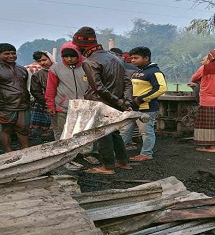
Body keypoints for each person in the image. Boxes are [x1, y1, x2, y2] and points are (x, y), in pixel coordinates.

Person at [72, 26, 133, 175]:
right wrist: (125, 100)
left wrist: (119, 102)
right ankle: (123, 161)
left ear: (81, 46)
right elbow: (127, 81)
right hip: (115, 102)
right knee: (114, 132)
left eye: (76, 46)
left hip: (100, 103)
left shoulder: (90, 61)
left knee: (102, 135)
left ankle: (107, 166)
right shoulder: (115, 57)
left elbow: (98, 87)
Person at [124, 46, 167, 161]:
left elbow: (161, 89)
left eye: (136, 58)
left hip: (147, 108)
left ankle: (146, 154)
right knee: (125, 131)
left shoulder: (155, 72)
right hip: (133, 108)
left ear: (146, 58)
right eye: (131, 58)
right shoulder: (138, 72)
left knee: (146, 132)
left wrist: (141, 99)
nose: (132, 60)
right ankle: (118, 152)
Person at [0, 43, 31, 152]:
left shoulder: (22, 69)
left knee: (23, 129)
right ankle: (8, 152)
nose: (11, 56)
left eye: (13, 53)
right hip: (5, 105)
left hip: (23, 104)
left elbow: (26, 85)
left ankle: (27, 151)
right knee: (6, 129)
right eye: (7, 54)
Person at [45, 42, 88, 140]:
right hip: (63, 108)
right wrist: (50, 105)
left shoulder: (88, 66)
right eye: (66, 56)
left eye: (72, 56)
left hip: (84, 106)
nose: (69, 59)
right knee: (62, 134)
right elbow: (50, 89)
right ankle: (64, 154)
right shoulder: (55, 69)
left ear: (79, 54)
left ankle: (85, 154)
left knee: (84, 133)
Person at [29, 50, 55, 139]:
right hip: (46, 102)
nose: (42, 63)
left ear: (50, 58)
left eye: (44, 60)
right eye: (39, 61)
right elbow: (35, 91)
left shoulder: (61, 70)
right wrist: (47, 102)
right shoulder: (37, 75)